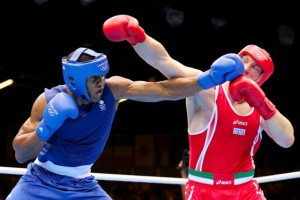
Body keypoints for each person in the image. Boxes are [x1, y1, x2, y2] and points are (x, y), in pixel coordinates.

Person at [6, 42, 244, 198]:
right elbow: (20, 153)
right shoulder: (48, 101)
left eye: (102, 75)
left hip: (83, 186)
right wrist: (47, 126)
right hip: (38, 182)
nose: (101, 82)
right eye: (94, 79)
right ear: (75, 80)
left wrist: (208, 79)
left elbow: (164, 90)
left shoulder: (114, 89)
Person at [102, 15, 295, 199]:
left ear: (262, 79)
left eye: (255, 68)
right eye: (245, 61)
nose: (247, 69)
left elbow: (287, 140)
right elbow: (164, 61)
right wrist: (137, 36)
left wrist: (262, 103)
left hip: (245, 189)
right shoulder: (208, 89)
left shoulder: (262, 108)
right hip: (203, 189)